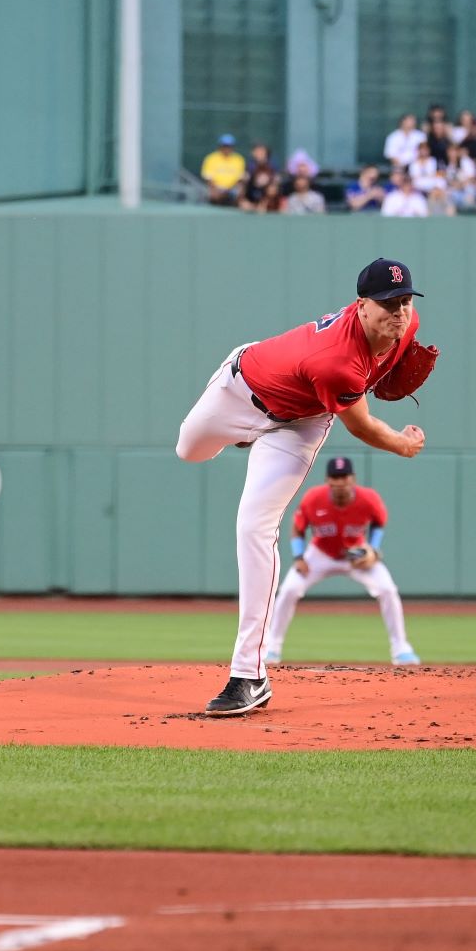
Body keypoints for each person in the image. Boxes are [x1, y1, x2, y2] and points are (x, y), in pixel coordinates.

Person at [175, 259, 428, 716]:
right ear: (360, 306)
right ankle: (242, 435)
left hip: (301, 423)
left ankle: (248, 675)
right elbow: (367, 429)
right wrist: (403, 445)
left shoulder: (404, 327)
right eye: (388, 303)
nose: (400, 312)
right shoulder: (336, 361)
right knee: (188, 450)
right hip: (242, 388)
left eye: (406, 301)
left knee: (253, 526)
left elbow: (362, 388)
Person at [261, 456, 417, 667]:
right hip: (319, 554)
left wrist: (373, 549)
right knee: (289, 589)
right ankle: (272, 648)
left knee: (387, 589)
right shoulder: (313, 498)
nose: (340, 481)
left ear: (352, 478)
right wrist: (299, 557)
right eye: (335, 477)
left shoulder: (369, 498)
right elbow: (298, 528)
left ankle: (401, 650)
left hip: (355, 555)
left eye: (344, 476)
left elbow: (379, 523)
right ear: (328, 480)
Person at [200, 134, 246, 206]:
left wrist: (229, 189)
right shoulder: (211, 158)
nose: (227, 148)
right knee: (213, 193)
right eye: (225, 146)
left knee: (241, 190)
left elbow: (240, 179)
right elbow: (208, 179)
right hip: (216, 188)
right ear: (220, 146)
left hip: (232, 188)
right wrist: (217, 189)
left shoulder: (238, 159)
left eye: (229, 146)